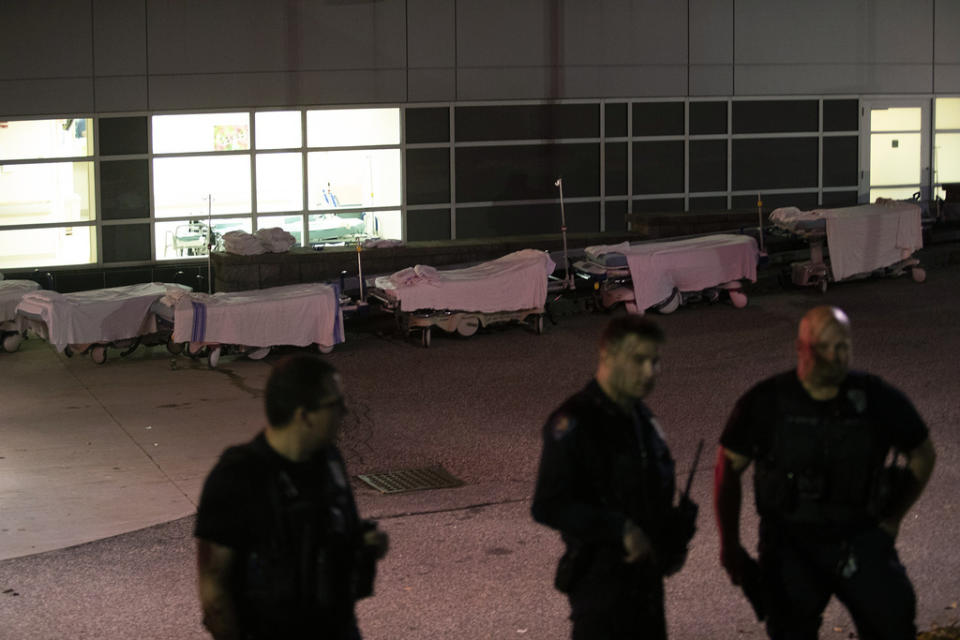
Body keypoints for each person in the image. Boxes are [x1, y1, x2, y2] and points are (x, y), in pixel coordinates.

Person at [714, 305, 936, 640]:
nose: (835, 356)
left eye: (843, 346)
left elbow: (923, 455)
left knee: (893, 624)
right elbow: (726, 470)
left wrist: (892, 520)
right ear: (801, 348)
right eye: (824, 347)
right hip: (790, 543)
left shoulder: (875, 398)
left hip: (859, 536)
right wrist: (729, 545)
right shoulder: (766, 402)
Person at [195, 354, 388, 640]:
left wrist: (362, 544)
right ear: (304, 416)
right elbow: (214, 587)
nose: (345, 412)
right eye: (335, 404)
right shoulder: (237, 476)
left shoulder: (329, 461)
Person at [532, 315, 697, 640]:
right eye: (638, 360)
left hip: (647, 583)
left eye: (655, 361)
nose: (650, 372)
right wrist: (619, 530)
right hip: (601, 586)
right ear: (607, 353)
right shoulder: (575, 421)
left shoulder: (642, 419)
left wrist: (672, 536)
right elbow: (548, 505)